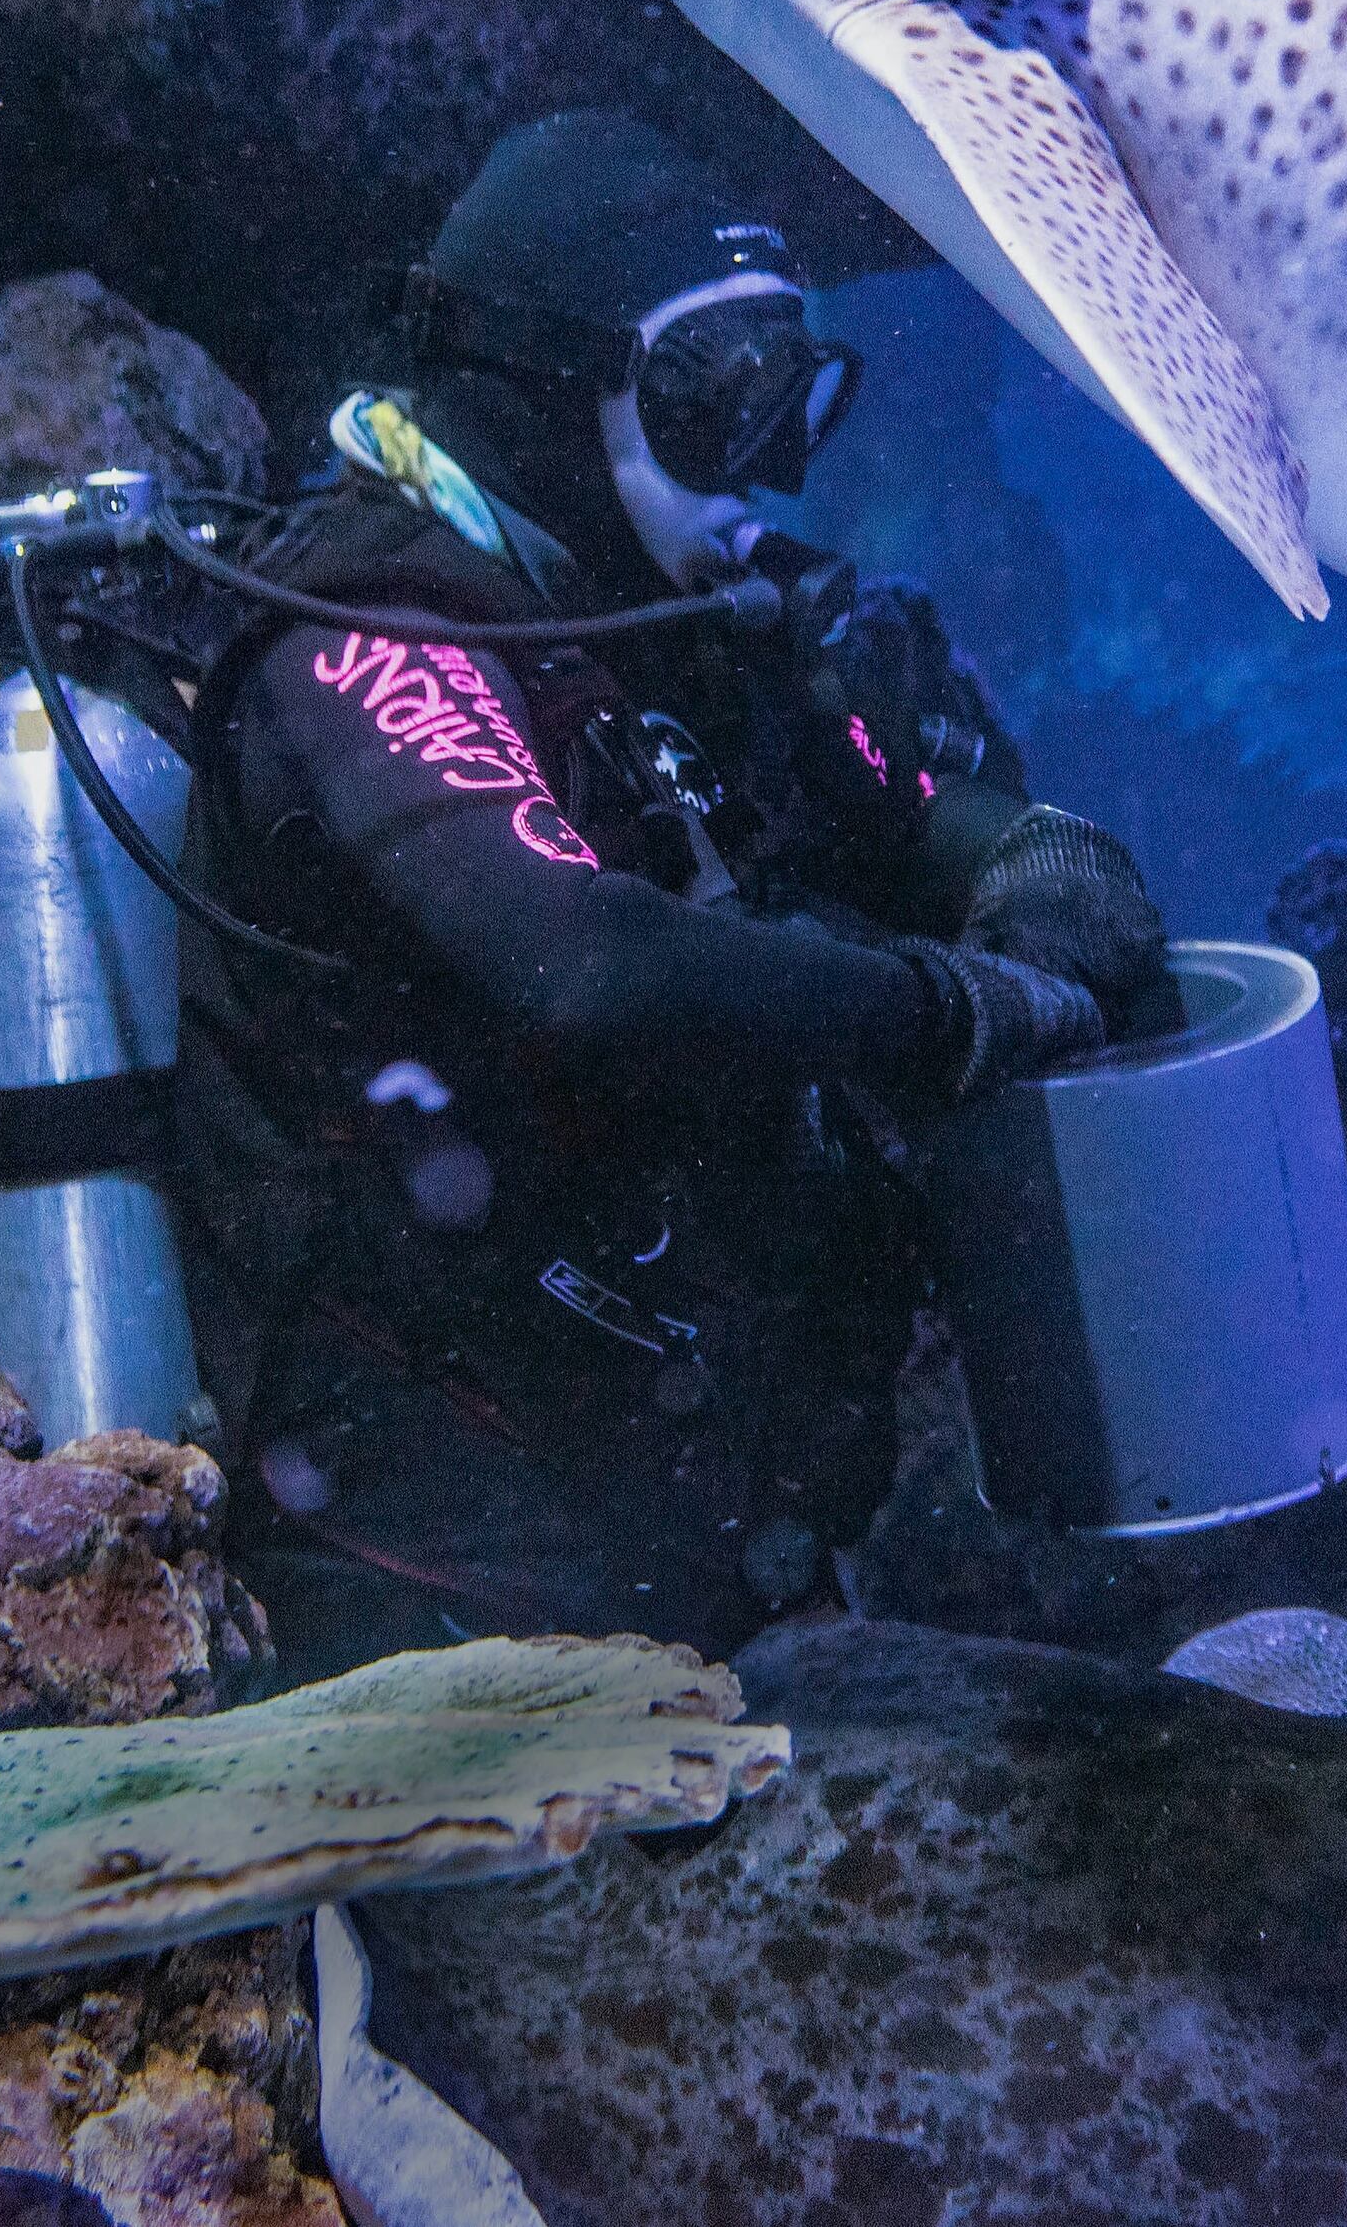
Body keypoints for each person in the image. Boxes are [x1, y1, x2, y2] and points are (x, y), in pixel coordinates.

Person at [167, 111, 1174, 1672]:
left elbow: (907, 806)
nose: (768, 462)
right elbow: (580, 958)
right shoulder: (363, 631)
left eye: (794, 391)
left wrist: (1034, 863)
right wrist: (943, 1008)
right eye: (714, 398)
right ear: (548, 391)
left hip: (683, 1518)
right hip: (427, 1567)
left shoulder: (672, 611)